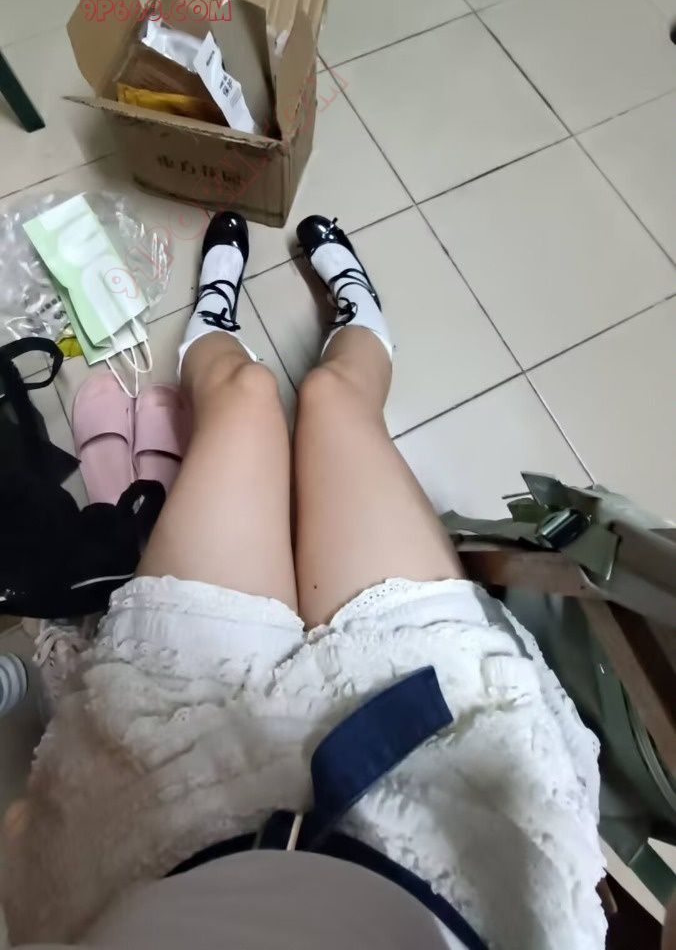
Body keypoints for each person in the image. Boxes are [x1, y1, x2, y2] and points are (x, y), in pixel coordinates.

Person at [3, 214, 607, 949]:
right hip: (438, 782)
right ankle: (355, 306)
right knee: (331, 397)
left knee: (246, 392)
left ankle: (218, 313)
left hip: (166, 802)